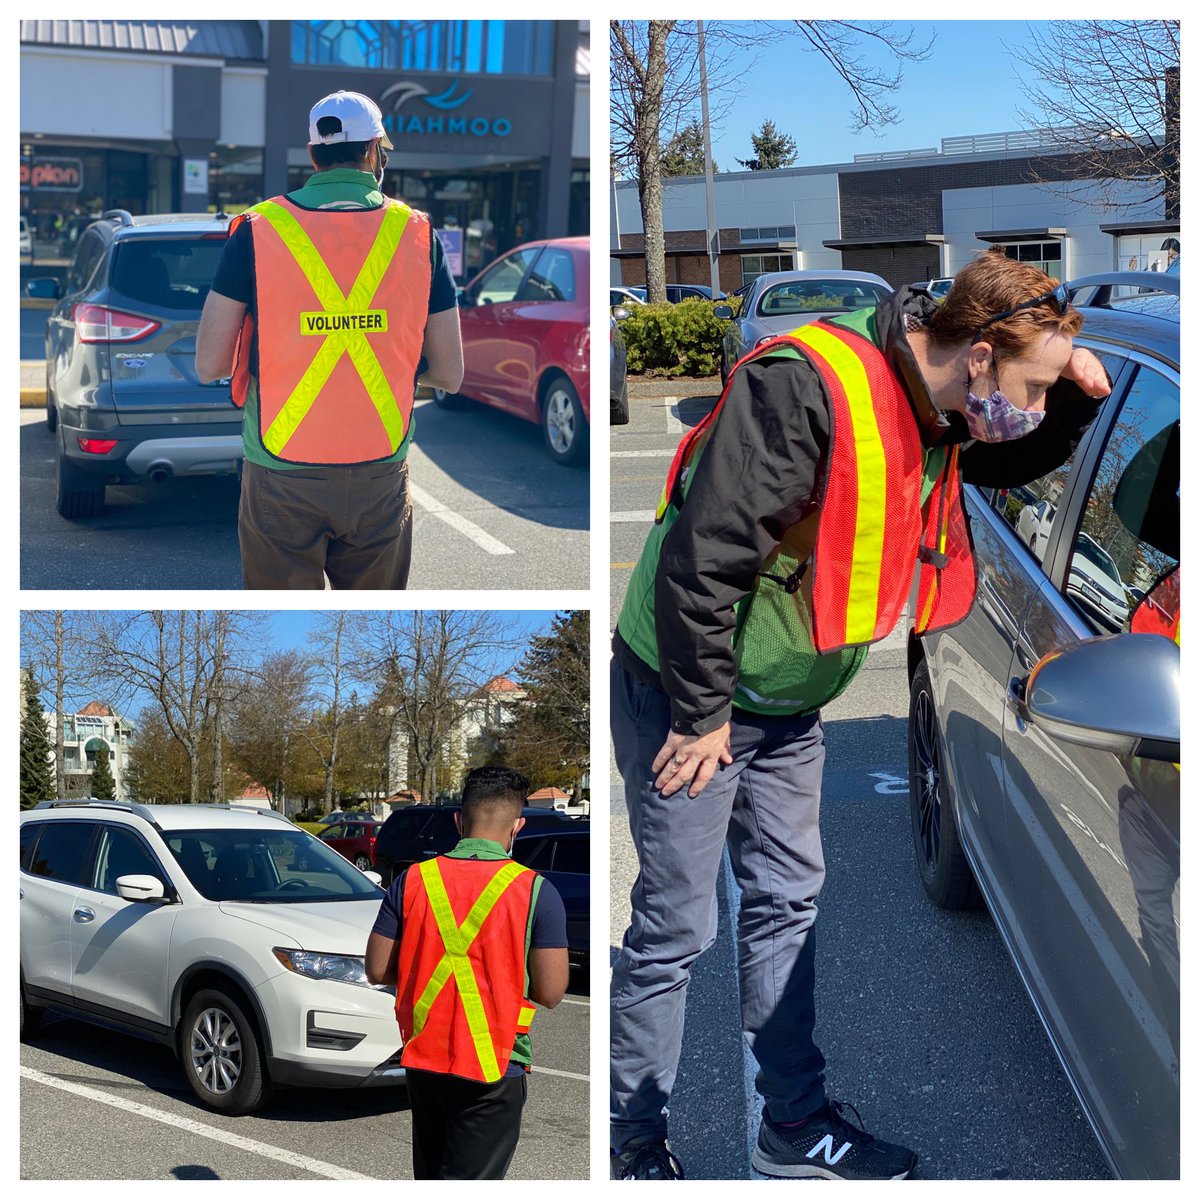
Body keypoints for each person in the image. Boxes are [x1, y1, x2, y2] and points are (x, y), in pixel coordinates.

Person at [609, 248, 1112, 1181]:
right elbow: (703, 557)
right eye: (1033, 388)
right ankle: (633, 1142)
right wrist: (700, 714)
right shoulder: (804, 388)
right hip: (689, 695)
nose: (1032, 407)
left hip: (787, 700)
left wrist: (1075, 396)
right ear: (980, 354)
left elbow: (1008, 460)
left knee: (786, 905)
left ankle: (794, 1127)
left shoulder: (945, 403)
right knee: (676, 927)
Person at [196, 89, 464, 589]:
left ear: (312, 153)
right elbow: (449, 373)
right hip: (380, 472)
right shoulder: (418, 234)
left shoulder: (257, 229)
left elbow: (210, 362)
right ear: (375, 151)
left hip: (279, 470)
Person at [366, 767, 570, 1179]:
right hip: (496, 1063)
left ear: (459, 821)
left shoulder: (412, 880)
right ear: (517, 827)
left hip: (424, 1058)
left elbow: (377, 969)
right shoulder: (535, 890)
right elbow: (550, 992)